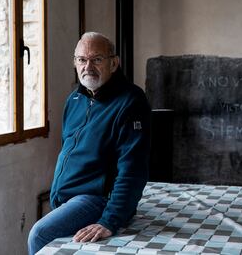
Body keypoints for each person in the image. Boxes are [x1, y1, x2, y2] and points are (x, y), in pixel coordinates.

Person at [27, 32, 151, 254]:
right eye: (82, 60)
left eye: (97, 59)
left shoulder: (131, 101)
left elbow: (133, 169)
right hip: (68, 198)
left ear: (114, 63)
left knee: (40, 234)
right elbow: (67, 149)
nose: (88, 66)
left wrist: (109, 221)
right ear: (75, 62)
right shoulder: (75, 99)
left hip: (96, 198)